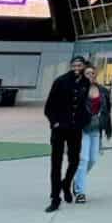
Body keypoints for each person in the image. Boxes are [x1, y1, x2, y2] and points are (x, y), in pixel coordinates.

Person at [43, 56, 89, 213]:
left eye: (80, 65)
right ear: (71, 66)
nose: (77, 67)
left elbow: (86, 106)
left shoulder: (86, 83)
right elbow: (48, 106)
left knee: (74, 160)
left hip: (75, 129)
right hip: (59, 128)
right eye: (75, 64)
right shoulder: (60, 81)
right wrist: (54, 122)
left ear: (84, 66)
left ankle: (66, 183)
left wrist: (83, 121)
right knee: (56, 164)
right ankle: (55, 198)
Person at [72, 64, 112, 203]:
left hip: (96, 130)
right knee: (83, 160)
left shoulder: (102, 91)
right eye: (87, 73)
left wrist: (105, 127)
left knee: (93, 160)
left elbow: (107, 112)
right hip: (82, 130)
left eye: (93, 73)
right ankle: (80, 192)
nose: (90, 76)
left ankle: (77, 179)